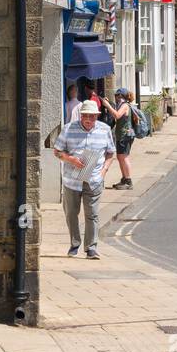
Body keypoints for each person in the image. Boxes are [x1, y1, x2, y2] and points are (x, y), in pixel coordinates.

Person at [53, 99, 115, 258]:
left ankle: (91, 248)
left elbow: (110, 153)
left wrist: (103, 172)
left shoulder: (105, 129)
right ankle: (74, 244)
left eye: (92, 116)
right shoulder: (68, 129)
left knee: (92, 214)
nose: (88, 119)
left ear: (97, 116)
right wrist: (70, 159)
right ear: (81, 115)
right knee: (71, 214)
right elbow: (57, 151)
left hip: (94, 180)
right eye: (85, 116)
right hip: (71, 181)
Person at [106, 88, 135, 190]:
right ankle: (124, 179)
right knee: (120, 157)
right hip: (121, 135)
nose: (115, 97)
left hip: (125, 135)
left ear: (120, 96)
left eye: (117, 96)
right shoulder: (121, 105)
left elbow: (117, 115)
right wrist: (108, 103)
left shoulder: (125, 105)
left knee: (124, 157)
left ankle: (128, 181)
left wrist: (107, 105)